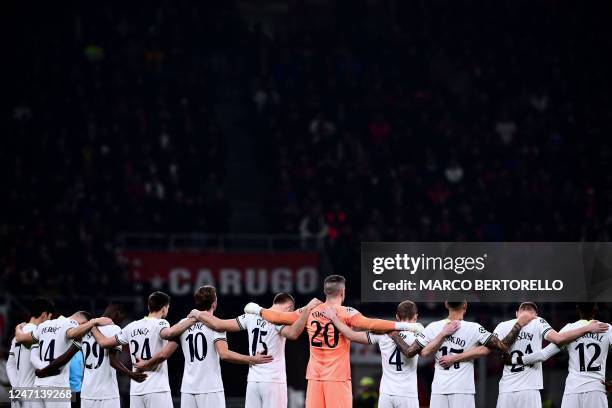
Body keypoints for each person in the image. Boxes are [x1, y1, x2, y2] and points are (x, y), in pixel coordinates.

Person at [243, 275, 424, 408]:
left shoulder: (310, 310)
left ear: (325, 292)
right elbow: (370, 323)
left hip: (314, 377)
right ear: (342, 292)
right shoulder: (347, 312)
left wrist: (258, 310)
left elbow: (279, 316)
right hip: (337, 378)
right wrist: (405, 327)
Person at [438, 302, 609, 408]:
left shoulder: (503, 325)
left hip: (507, 390)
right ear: (536, 314)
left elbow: (488, 349)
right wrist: (588, 328)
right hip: (530, 390)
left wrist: (454, 357)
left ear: (517, 313)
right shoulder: (539, 322)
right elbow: (557, 340)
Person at [134, 286, 274, 408]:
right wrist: (251, 359)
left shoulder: (183, 323)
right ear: (214, 303)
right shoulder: (216, 324)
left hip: (188, 389)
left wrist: (145, 363)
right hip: (210, 388)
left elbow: (164, 354)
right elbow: (224, 354)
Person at [390, 300, 535, 408]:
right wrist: (519, 324)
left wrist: (394, 333)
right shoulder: (474, 328)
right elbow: (502, 346)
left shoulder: (433, 327)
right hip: (462, 390)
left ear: (446, 304)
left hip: (439, 389)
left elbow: (419, 352)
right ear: (465, 306)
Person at [191, 292, 319, 408]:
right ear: (289, 308)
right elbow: (292, 333)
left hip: (253, 381)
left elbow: (218, 324)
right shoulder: (278, 320)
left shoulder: (251, 316)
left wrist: (197, 313)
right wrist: (307, 310)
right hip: (273, 381)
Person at [324, 300, 460, 408]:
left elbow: (351, 335)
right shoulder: (419, 333)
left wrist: (334, 318)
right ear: (416, 317)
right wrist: (443, 334)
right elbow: (426, 352)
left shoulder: (383, 333)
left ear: (396, 317)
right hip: (407, 394)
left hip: (386, 393)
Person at [91, 291, 196, 408]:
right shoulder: (161, 323)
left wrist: (92, 325)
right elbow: (168, 334)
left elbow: (103, 343)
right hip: (157, 388)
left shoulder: (131, 326)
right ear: (164, 309)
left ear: (148, 307)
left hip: (136, 390)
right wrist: (192, 320)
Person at [511, 303, 612, 408]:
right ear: (595, 309)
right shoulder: (607, 328)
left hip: (573, 390)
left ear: (577, 308)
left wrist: (515, 359)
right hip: (596, 390)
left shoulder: (569, 329)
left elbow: (543, 354)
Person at [15, 311, 113, 408]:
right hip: (57, 384)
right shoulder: (71, 324)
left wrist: (18, 328)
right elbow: (72, 334)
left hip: (38, 385)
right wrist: (93, 323)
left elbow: (20, 338)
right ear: (82, 324)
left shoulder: (44, 325)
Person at [7, 298, 55, 408]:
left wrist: (16, 386)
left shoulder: (17, 335)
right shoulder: (39, 334)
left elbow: (10, 365)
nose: (49, 321)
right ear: (44, 314)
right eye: (49, 317)